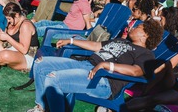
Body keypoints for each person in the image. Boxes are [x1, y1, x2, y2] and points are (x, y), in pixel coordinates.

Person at [27, 19, 164, 112]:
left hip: (103, 80)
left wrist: (106, 65)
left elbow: (136, 71)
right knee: (41, 64)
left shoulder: (146, 54)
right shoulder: (122, 41)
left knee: (53, 79)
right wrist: (71, 40)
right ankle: (41, 107)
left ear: (145, 35)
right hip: (86, 65)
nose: (133, 27)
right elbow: (97, 45)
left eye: (138, 27)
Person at [0, 2, 39, 76]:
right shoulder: (13, 22)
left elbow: (24, 50)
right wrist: (0, 33)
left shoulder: (25, 25)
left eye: (9, 19)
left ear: (17, 15)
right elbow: (5, 39)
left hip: (26, 57)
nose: (8, 21)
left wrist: (7, 37)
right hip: (12, 49)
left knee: (5, 55)